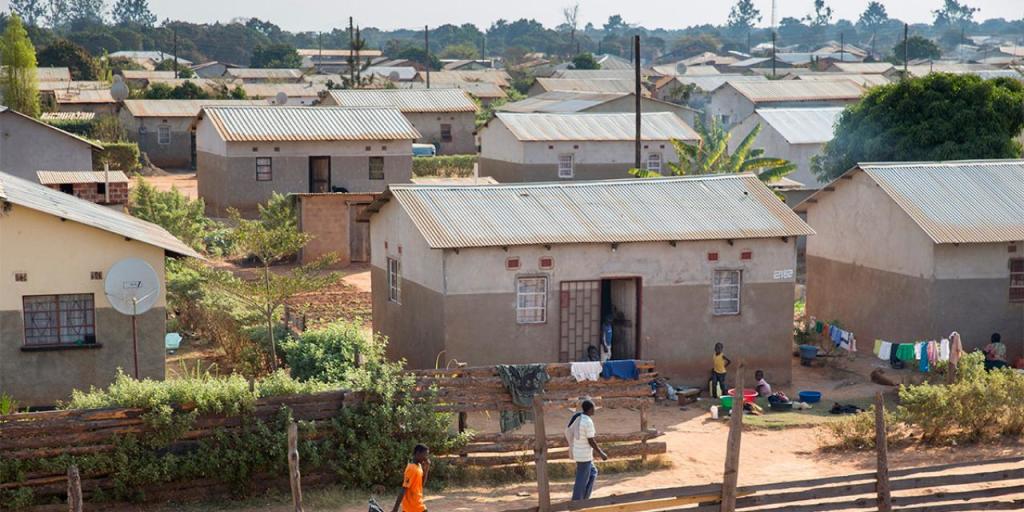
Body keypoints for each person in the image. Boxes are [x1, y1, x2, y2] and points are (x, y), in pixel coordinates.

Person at [568, 400, 607, 501]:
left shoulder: (579, 417)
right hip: (584, 455)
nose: (594, 410)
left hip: (580, 452)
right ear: (589, 409)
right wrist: (601, 453)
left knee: (593, 472)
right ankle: (576, 502)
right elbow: (591, 441)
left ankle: (585, 499)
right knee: (581, 479)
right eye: (593, 408)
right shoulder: (587, 422)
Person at [391, 444, 429, 512]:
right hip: (414, 506)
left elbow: (422, 485)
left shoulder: (419, 466)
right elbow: (403, 489)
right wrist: (395, 509)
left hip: (416, 504)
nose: (426, 458)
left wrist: (426, 469)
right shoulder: (411, 468)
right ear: (418, 453)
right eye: (425, 455)